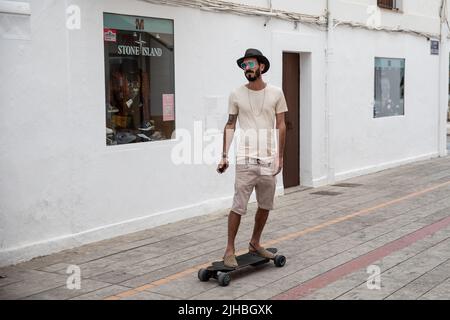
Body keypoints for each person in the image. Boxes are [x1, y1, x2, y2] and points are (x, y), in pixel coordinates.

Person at [217, 48, 288, 268]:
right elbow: (230, 124)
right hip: (245, 159)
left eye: (250, 65)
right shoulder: (236, 94)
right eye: (243, 66)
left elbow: (281, 125)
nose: (246, 69)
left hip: (268, 160)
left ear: (261, 67)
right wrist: (224, 155)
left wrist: (280, 156)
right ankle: (229, 249)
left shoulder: (276, 93)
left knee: (266, 205)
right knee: (238, 206)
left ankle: (255, 242)